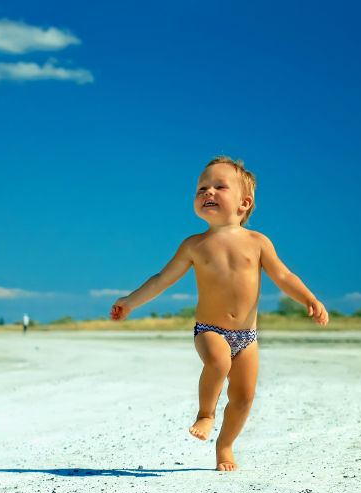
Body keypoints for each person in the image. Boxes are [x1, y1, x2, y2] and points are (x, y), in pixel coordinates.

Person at [110, 156, 329, 471]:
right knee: (218, 360)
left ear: (244, 203)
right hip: (210, 331)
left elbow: (284, 277)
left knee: (244, 399)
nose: (207, 192)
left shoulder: (258, 243)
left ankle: (225, 446)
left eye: (218, 187)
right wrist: (130, 301)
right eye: (201, 188)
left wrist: (309, 298)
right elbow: (162, 280)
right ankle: (206, 413)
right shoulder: (194, 246)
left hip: (247, 337)